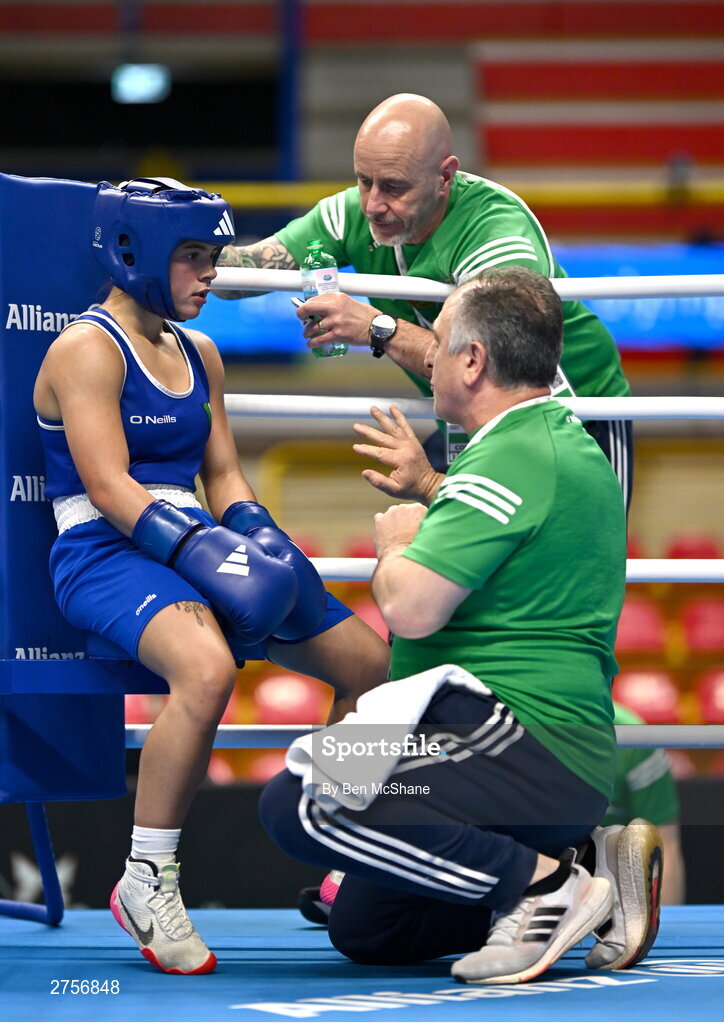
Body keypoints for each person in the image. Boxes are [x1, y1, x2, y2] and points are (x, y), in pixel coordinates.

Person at [259, 267, 661, 984]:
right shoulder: (548, 446)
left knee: (306, 801)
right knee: (371, 929)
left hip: (511, 745)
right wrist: (431, 490)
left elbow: (410, 606)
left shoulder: (512, 454)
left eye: (440, 343)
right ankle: (582, 866)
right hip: (502, 756)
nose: (432, 356)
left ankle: (545, 888)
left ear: (474, 362)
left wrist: (396, 545)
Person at [33, 177, 391, 976]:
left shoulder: (201, 353)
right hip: (101, 554)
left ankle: (344, 841)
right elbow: (110, 487)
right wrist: (201, 550)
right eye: (193, 257)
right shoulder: (84, 349)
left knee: (369, 666)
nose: (211, 274)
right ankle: (146, 877)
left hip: (192, 540)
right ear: (137, 255)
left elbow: (223, 474)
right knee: (207, 668)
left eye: (212, 256)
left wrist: (261, 539)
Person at [216, 93, 632, 508]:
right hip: (471, 424)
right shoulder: (350, 215)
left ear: (445, 177)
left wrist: (376, 327)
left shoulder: (495, 229)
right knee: (432, 560)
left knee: (567, 562)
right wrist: (183, 237)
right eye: (364, 181)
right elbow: (243, 272)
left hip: (572, 417)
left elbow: (493, 368)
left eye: (394, 186)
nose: (373, 205)